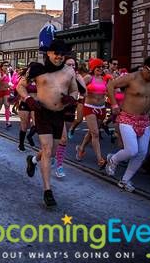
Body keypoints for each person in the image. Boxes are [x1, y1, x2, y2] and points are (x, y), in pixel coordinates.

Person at [16, 39, 78, 207]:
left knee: (50, 153)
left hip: (59, 115)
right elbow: (20, 86)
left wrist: (71, 98)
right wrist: (28, 98)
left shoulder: (69, 71)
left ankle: (33, 161)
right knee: (47, 149)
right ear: (49, 53)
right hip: (42, 112)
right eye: (56, 53)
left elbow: (75, 89)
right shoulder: (37, 69)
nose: (59, 57)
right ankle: (47, 191)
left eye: (62, 54)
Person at [105, 56, 150, 192]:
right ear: (144, 67)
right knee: (132, 150)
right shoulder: (131, 77)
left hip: (144, 120)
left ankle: (125, 180)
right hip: (127, 117)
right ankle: (113, 159)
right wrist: (114, 104)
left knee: (142, 153)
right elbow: (110, 85)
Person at [54, 56, 86, 178]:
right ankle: (59, 166)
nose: (72, 67)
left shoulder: (78, 78)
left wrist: (80, 80)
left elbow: (84, 93)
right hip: (58, 110)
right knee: (63, 139)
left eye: (73, 65)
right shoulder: (58, 77)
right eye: (69, 65)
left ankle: (50, 155)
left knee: (60, 140)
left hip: (70, 111)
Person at [75, 58, 108, 169]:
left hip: (102, 108)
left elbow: (109, 91)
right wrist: (82, 94)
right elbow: (78, 87)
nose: (100, 69)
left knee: (92, 132)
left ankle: (81, 148)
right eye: (98, 67)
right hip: (90, 108)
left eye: (102, 67)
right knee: (95, 133)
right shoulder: (89, 77)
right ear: (93, 68)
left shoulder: (104, 79)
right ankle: (100, 159)